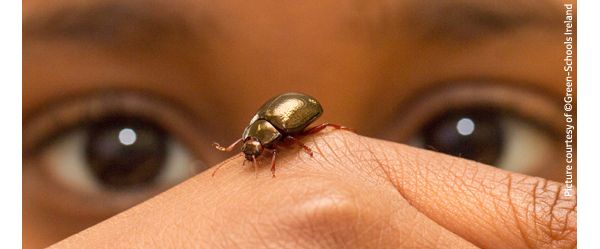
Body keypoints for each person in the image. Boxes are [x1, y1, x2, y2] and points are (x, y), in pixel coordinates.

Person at [23, 0, 576, 248]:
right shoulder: (261, 134)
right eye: (119, 159)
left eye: (475, 133)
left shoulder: (286, 133)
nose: (307, 213)